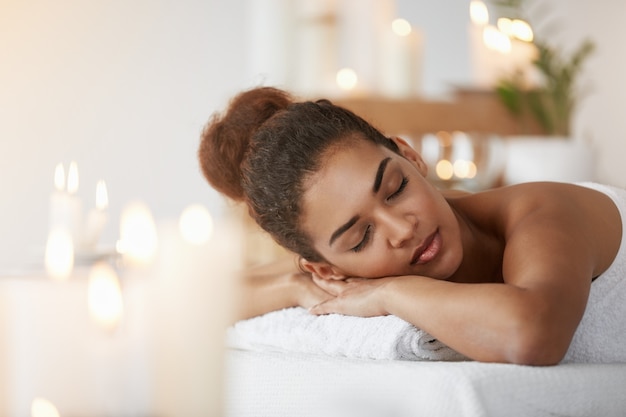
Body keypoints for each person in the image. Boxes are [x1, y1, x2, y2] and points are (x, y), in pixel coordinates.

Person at [198, 86, 625, 365]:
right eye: (361, 237)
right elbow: (200, 297)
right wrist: (295, 288)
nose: (402, 228)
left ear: (411, 156)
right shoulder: (324, 272)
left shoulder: (541, 210)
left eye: (396, 187)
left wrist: (389, 292)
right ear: (327, 270)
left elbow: (533, 335)